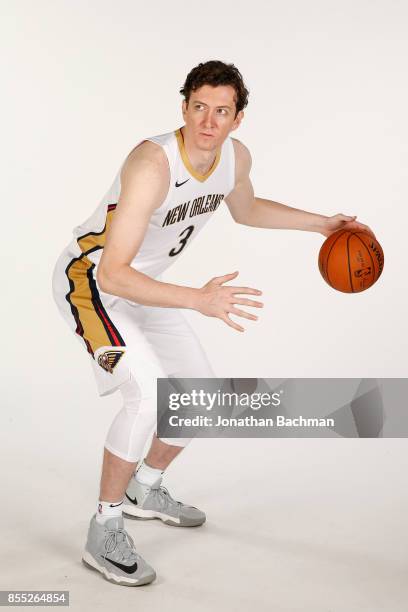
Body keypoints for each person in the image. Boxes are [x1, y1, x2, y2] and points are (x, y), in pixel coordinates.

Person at [51, 59, 374, 586]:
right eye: (199, 107)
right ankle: (103, 527)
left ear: (237, 119)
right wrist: (198, 301)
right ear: (184, 107)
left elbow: (245, 210)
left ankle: (145, 488)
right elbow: (111, 274)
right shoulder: (152, 164)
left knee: (200, 396)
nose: (208, 121)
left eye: (221, 111)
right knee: (149, 395)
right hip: (90, 284)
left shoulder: (232, 158)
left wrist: (322, 225)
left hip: (145, 285)